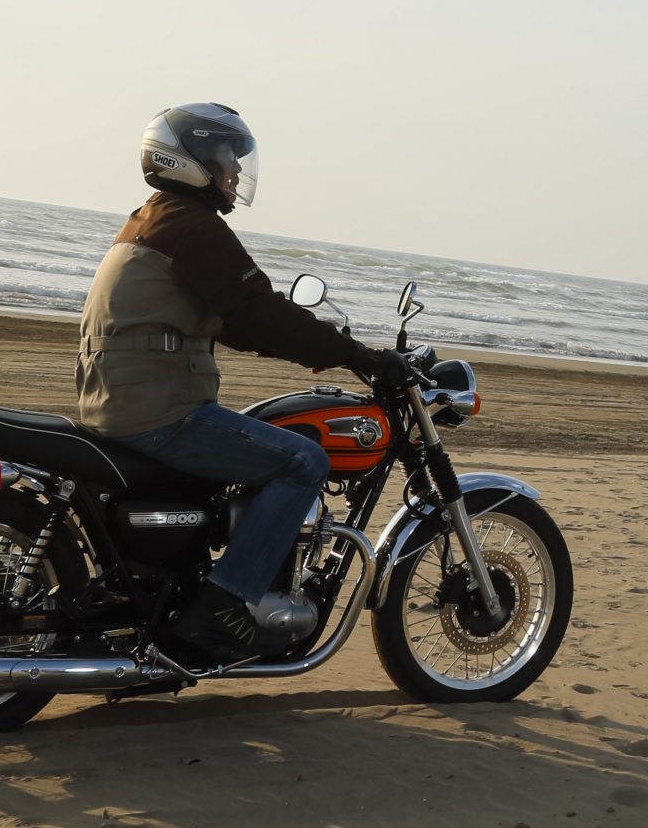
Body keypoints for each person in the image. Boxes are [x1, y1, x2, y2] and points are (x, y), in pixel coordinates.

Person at [74, 102, 406, 665]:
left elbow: (237, 321)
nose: (234, 171)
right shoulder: (193, 229)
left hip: (123, 402)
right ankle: (224, 601)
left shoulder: (153, 218)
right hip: (159, 412)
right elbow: (261, 313)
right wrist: (358, 355)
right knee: (303, 461)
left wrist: (313, 348)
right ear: (192, 159)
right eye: (227, 157)